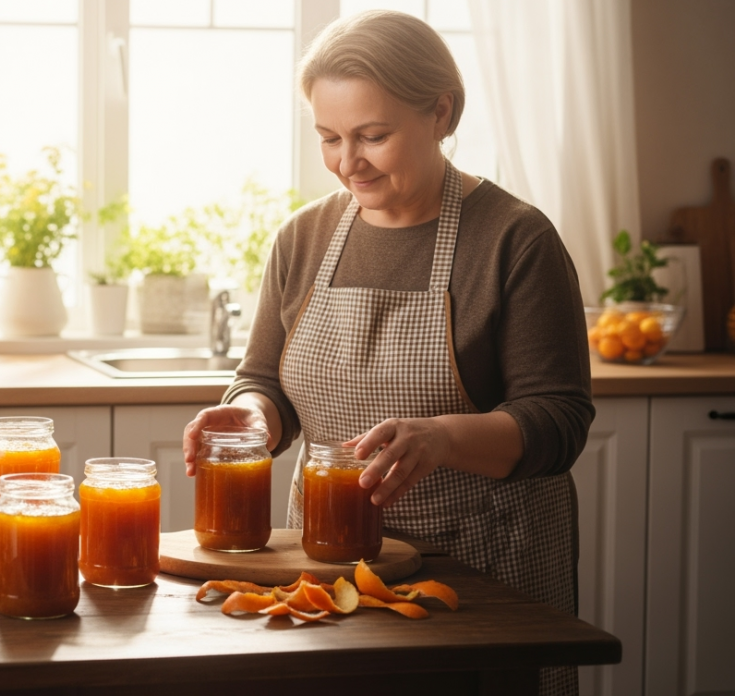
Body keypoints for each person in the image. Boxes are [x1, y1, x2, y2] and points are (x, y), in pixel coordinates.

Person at [181, 10, 592, 696]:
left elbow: (559, 421)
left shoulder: (515, 240)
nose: (349, 162)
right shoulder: (302, 239)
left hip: (480, 573)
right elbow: (265, 381)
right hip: (330, 568)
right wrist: (253, 418)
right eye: (330, 138)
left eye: (373, 136)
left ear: (441, 112)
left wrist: (440, 440)